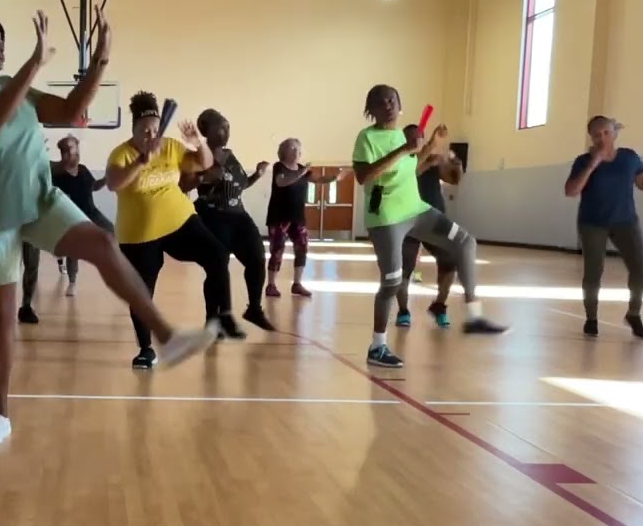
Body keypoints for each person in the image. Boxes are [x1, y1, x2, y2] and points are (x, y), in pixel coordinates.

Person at [0, 9, 218, 446]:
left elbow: (70, 110)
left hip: (40, 200)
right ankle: (0, 414)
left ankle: (166, 337)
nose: (3, 47)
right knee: (1, 316)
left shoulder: (12, 85)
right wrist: (34, 63)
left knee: (102, 241)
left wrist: (100, 61)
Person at [350, 84, 507, 368]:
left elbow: (411, 168)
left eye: (392, 100)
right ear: (370, 110)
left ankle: (474, 317)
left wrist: (426, 149)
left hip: (416, 210)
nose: (388, 105)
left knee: (465, 242)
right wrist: (403, 149)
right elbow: (364, 176)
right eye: (381, 102)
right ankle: (377, 347)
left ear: (400, 106)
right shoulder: (367, 137)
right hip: (385, 217)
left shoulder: (401, 136)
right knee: (391, 282)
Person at [107, 91, 237, 365]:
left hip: (180, 222)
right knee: (141, 293)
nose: (151, 134)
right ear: (134, 129)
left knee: (218, 256)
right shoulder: (122, 153)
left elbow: (205, 163)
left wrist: (197, 143)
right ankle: (146, 350)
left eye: (155, 129)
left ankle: (215, 321)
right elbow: (114, 183)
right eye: (145, 130)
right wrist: (141, 160)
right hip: (139, 235)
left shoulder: (170, 147)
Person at [564, 116, 643, 339]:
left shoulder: (629, 158)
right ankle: (591, 319)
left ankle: (634, 314)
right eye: (596, 134)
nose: (602, 138)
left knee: (640, 268)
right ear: (591, 138)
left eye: (606, 132)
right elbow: (571, 191)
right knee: (593, 272)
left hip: (625, 222)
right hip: (592, 223)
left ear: (614, 133)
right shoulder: (583, 161)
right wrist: (593, 164)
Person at [184, 109, 274, 332]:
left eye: (228, 127)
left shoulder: (230, 155)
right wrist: (205, 176)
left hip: (238, 216)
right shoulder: (199, 156)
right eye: (221, 127)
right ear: (207, 131)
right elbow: (187, 184)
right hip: (213, 216)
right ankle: (214, 319)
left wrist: (257, 175)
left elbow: (238, 185)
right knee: (218, 267)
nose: (226, 131)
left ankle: (254, 309)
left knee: (257, 258)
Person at [395, 123, 461, 328]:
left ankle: (439, 306)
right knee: (404, 270)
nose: (415, 141)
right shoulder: (399, 161)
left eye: (418, 138)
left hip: (434, 222)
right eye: (411, 138)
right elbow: (412, 171)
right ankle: (403, 311)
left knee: (450, 260)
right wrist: (430, 150)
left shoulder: (433, 162)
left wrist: (455, 163)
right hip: (408, 224)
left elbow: (454, 180)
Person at [263, 138, 344, 298]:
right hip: (279, 216)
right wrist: (301, 173)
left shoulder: (302, 169)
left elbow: (318, 180)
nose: (297, 152)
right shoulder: (279, 167)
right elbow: (281, 182)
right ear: (284, 151)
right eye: (293, 148)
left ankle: (297, 284)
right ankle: (271, 285)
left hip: (297, 216)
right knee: (277, 249)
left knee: (302, 247)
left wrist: (335, 178)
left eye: (299, 149)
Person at [51, 134, 113, 297]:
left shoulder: (83, 170)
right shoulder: (57, 175)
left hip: (91, 212)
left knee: (111, 231)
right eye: (67, 150)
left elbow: (94, 186)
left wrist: (106, 178)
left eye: (73, 149)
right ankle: (72, 282)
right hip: (72, 218)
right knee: (74, 249)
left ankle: (113, 267)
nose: (72, 153)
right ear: (62, 153)